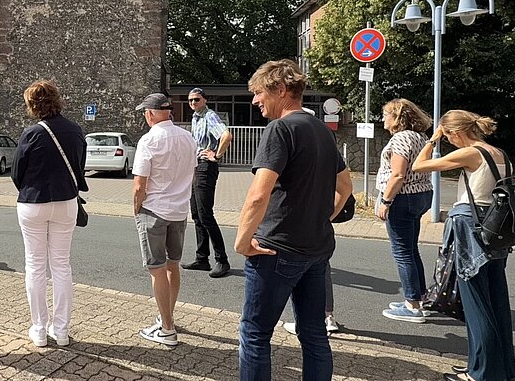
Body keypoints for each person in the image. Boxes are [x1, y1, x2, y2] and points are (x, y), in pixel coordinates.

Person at [235, 60, 352, 381]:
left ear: (281, 90)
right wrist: (320, 217)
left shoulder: (281, 129)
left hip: (276, 249)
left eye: (259, 93)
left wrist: (243, 241)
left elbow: (259, 194)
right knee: (314, 334)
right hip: (317, 250)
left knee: (255, 333)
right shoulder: (321, 131)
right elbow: (346, 187)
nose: (255, 101)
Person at [411, 111, 515, 381]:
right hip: (496, 230)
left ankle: (482, 373)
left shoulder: (471, 152)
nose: (448, 141)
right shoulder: (499, 152)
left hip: (471, 228)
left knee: (476, 302)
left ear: (455, 133)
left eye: (447, 136)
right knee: (496, 300)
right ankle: (499, 367)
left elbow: (418, 166)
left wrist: (432, 140)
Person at [10, 80, 88, 347]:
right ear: (57, 99)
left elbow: (17, 173)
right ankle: (62, 330)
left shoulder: (31, 133)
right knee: (61, 266)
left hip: (33, 202)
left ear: (32, 105)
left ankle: (40, 329)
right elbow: (80, 166)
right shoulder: (75, 130)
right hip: (66, 201)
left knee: (35, 265)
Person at [132, 92, 198, 347]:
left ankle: (167, 329)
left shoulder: (149, 140)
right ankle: (166, 316)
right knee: (173, 265)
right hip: (180, 211)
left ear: (150, 114)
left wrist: (136, 208)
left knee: (156, 268)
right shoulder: (187, 137)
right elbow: (191, 174)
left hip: (155, 210)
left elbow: (139, 185)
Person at [376, 98, 434, 323]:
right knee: (411, 248)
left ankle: (412, 306)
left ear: (397, 118)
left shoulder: (401, 138)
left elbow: (398, 174)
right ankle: (420, 299)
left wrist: (386, 201)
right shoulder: (421, 138)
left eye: (386, 114)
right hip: (421, 195)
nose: (383, 118)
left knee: (402, 251)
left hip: (402, 198)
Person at [182, 87, 234, 278]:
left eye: (196, 100)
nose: (193, 103)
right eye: (190, 101)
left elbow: (226, 135)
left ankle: (222, 260)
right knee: (196, 214)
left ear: (204, 100)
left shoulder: (209, 116)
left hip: (206, 167)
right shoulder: (196, 117)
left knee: (206, 215)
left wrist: (217, 155)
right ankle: (202, 259)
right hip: (196, 167)